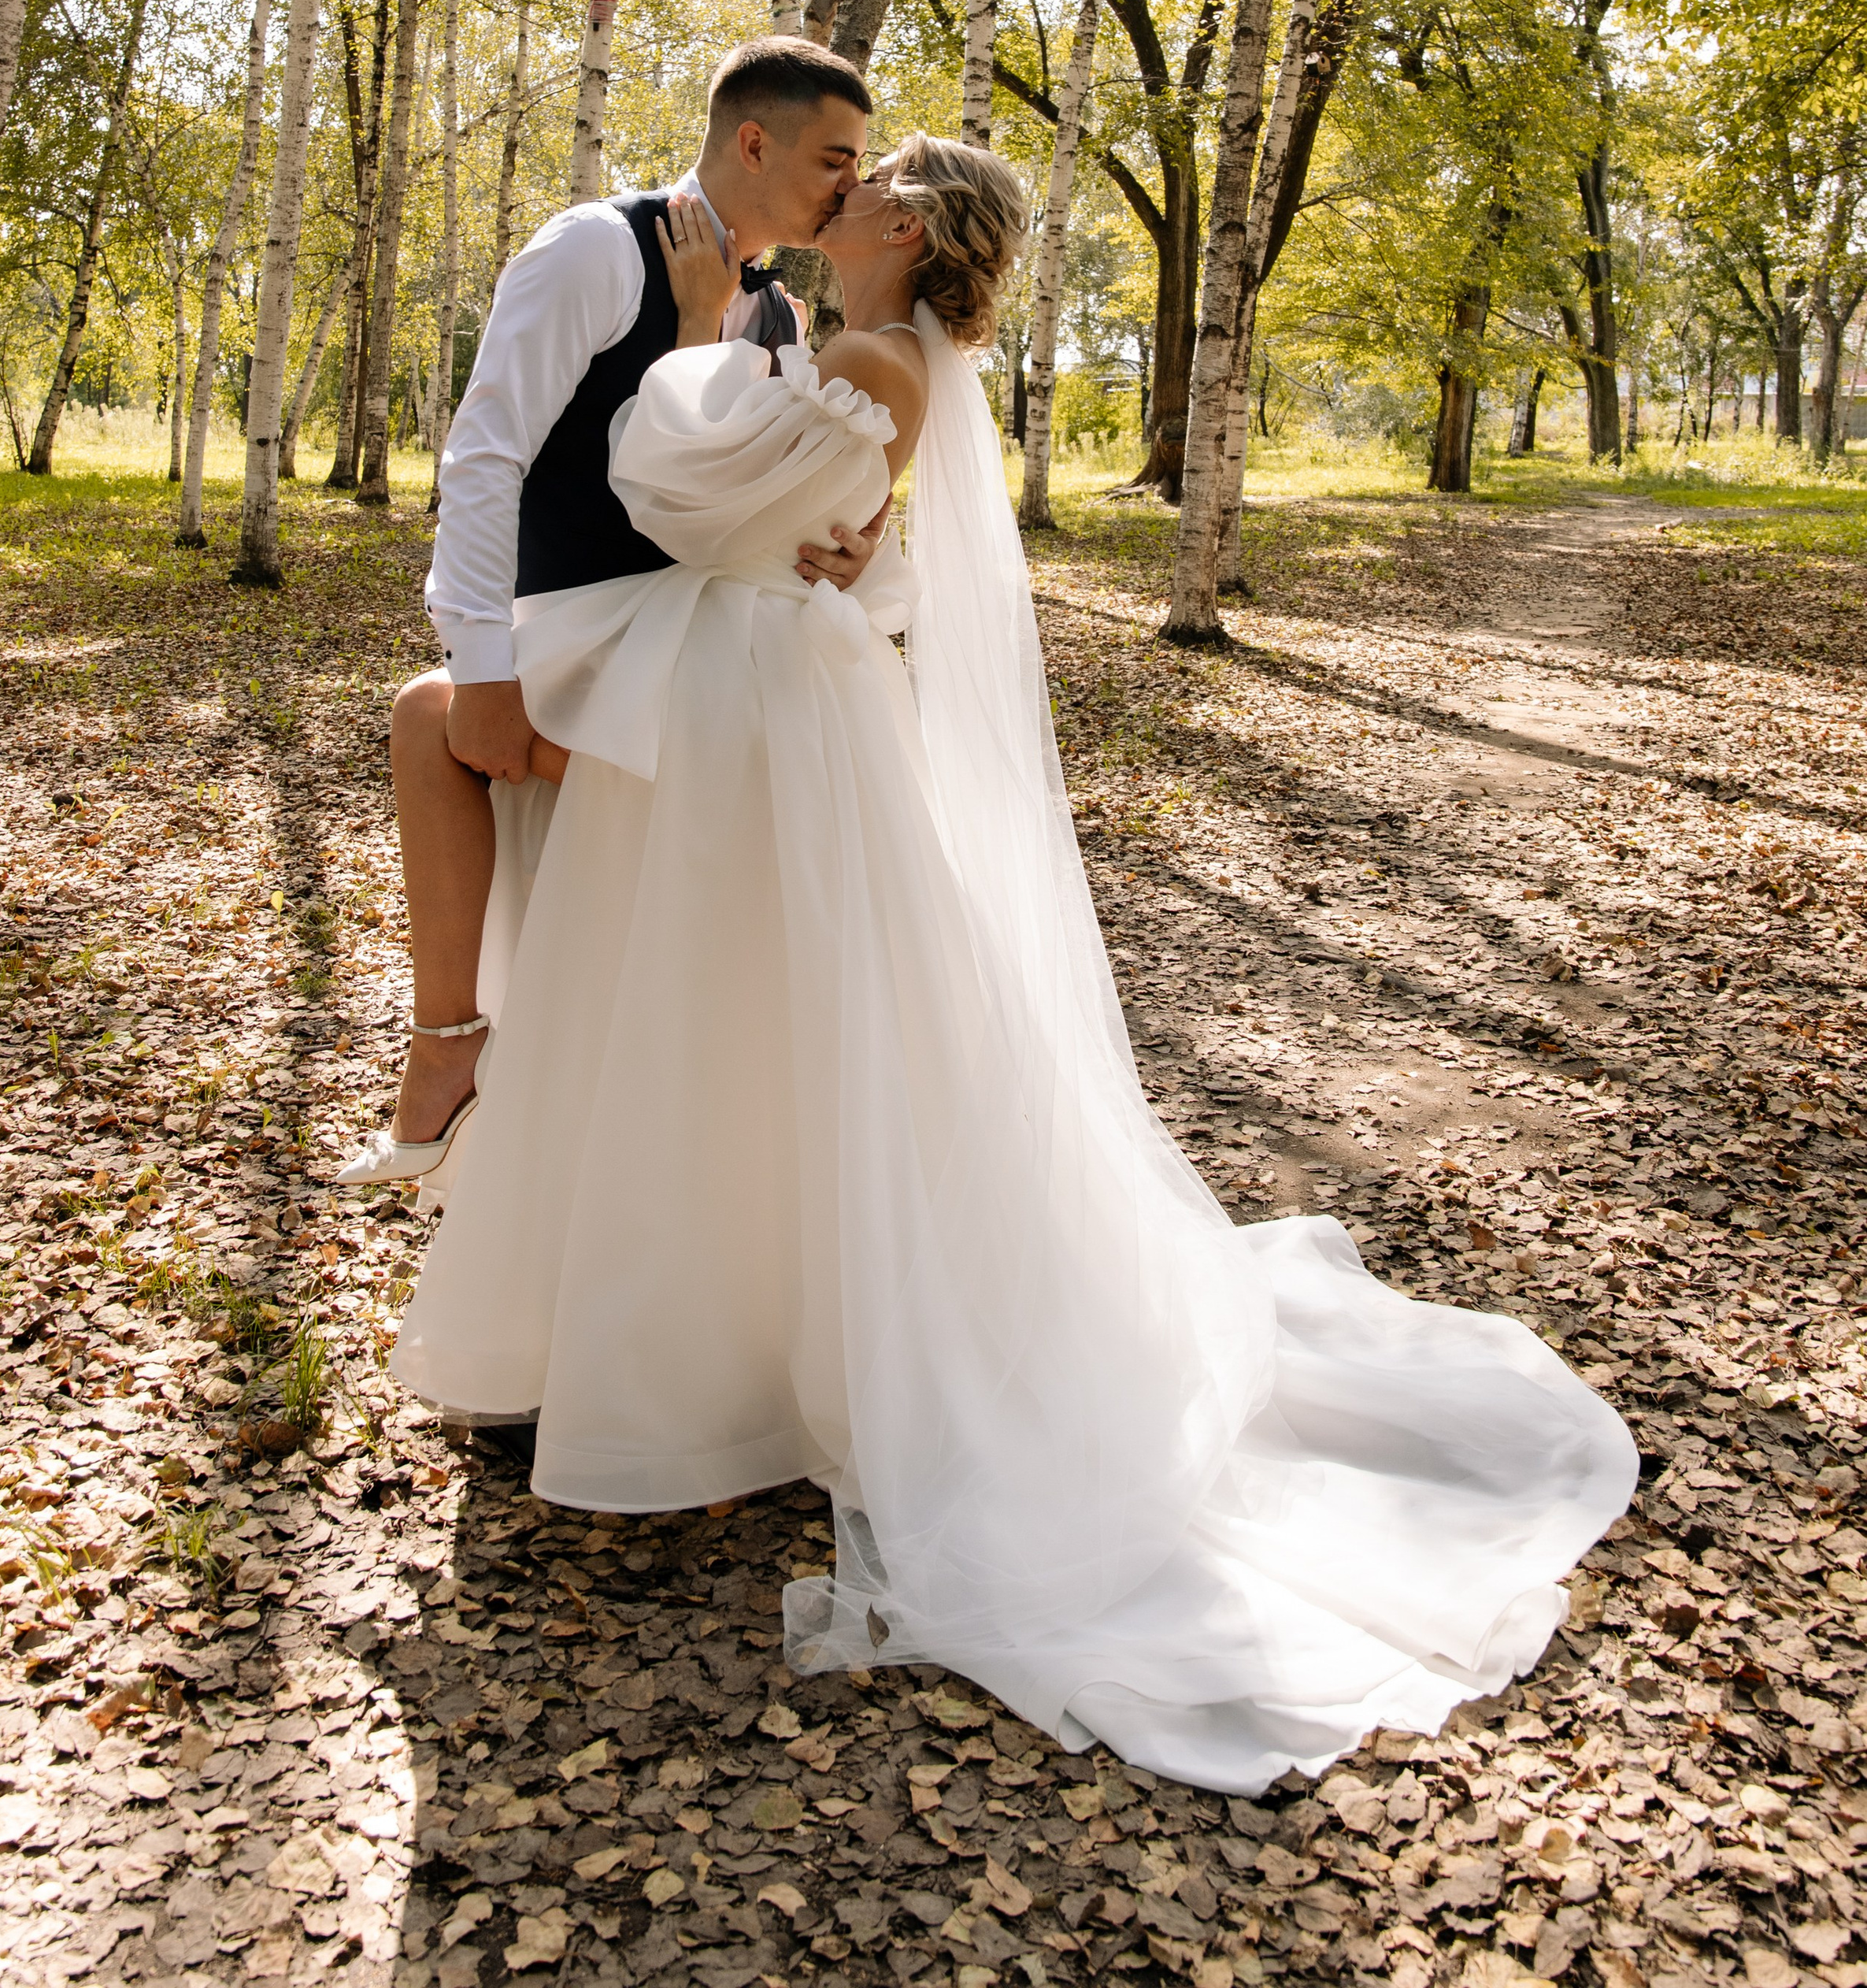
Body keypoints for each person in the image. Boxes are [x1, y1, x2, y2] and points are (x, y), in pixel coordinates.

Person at [387, 131, 1636, 1792]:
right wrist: (812, 497)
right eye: (833, 171)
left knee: (727, 1015)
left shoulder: (857, 354)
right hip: (771, 686)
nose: (838, 200)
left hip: (755, 698)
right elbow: (854, 541)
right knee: (764, 1016)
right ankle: (682, 1310)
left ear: (906, 226)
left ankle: (664, 1317)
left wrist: (695, 339)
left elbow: (674, 491)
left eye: (865, 180)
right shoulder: (879, 359)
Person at [337, 36, 880, 1198]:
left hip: (686, 643)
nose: (851, 183)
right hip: (588, 628)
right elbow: (484, 458)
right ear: (753, 142)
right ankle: (468, 1063)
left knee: (421, 726)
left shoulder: (778, 316)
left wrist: (845, 539)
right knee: (435, 713)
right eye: (837, 157)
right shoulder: (595, 249)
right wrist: (481, 661)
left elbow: (735, 509)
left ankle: (460, 1062)